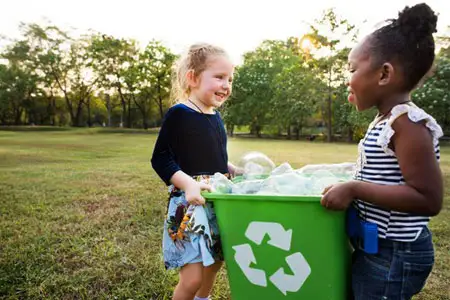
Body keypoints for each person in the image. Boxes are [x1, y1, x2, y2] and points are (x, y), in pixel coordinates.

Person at [320, 3, 443, 299]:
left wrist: (354, 188)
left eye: (351, 69)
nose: (348, 78)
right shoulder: (386, 120)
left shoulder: (408, 124)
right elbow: (383, 174)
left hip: (395, 255)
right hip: (377, 248)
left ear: (384, 74)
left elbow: (428, 199)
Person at [151, 43, 239, 300]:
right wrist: (188, 184)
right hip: (189, 205)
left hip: (216, 200)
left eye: (230, 79)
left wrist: (232, 169)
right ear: (192, 78)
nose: (226, 85)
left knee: (215, 262)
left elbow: (215, 160)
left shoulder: (216, 117)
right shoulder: (180, 114)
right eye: (219, 77)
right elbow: (161, 158)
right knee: (192, 278)